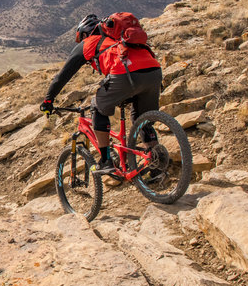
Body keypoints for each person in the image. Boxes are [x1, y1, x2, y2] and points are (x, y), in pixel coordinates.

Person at [40, 14, 162, 174]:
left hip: (126, 73)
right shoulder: (120, 40)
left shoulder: (89, 43)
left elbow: (62, 76)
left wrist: (48, 100)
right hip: (154, 72)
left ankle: (106, 160)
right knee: (141, 120)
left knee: (97, 106)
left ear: (84, 34)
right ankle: (157, 165)